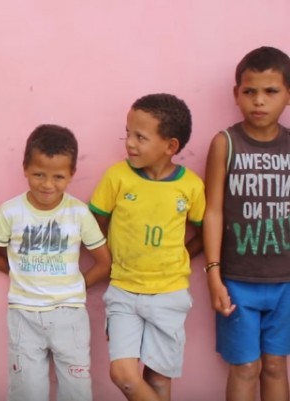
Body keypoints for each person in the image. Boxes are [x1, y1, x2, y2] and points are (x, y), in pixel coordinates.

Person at [89, 93, 205, 401]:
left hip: (170, 294)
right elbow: (93, 225)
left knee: (158, 381)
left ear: (170, 147)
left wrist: (181, 256)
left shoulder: (190, 186)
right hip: (124, 291)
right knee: (124, 375)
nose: (129, 143)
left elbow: (205, 232)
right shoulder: (117, 177)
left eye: (140, 137)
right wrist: (106, 259)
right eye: (128, 133)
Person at [0, 124, 112, 401]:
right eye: (39, 174)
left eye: (58, 177)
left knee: (76, 390)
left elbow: (104, 263)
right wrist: (19, 275)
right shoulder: (10, 211)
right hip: (23, 314)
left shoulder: (78, 213)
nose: (47, 184)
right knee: (26, 390)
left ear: (71, 175)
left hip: (70, 315)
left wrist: (77, 285)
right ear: (25, 168)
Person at [203, 46, 290, 401]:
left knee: (275, 365)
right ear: (236, 94)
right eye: (249, 91)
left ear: (288, 94)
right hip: (238, 281)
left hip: (285, 281)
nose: (259, 101)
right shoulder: (225, 143)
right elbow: (213, 211)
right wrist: (212, 272)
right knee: (245, 368)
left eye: (271, 91)